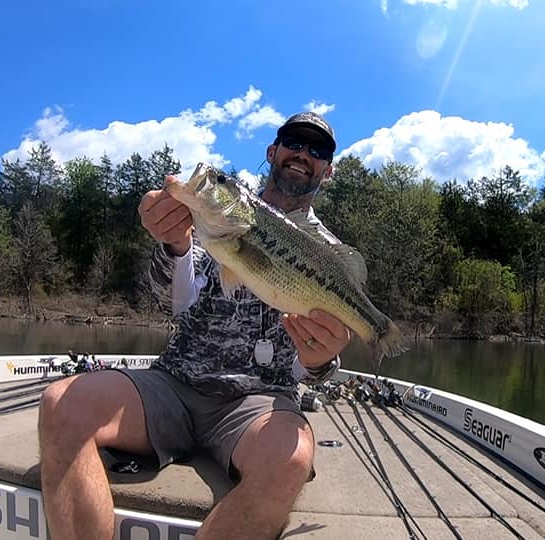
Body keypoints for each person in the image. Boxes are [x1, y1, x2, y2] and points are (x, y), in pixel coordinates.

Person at [38, 112, 351, 540]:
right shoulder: (223, 211)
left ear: (328, 171)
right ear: (272, 152)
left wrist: (320, 362)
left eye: (318, 151)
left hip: (257, 406)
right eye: (294, 142)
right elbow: (173, 298)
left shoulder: (330, 256)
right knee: (62, 403)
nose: (303, 154)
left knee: (291, 461)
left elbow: (311, 364)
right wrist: (174, 242)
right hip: (173, 385)